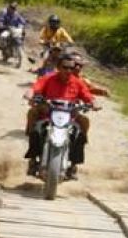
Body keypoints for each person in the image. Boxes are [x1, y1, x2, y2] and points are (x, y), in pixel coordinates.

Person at [23, 50, 106, 179]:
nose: (68, 71)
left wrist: (94, 103)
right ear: (58, 67)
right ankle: (33, 160)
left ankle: (73, 165)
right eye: (65, 67)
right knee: (37, 130)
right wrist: (30, 94)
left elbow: (87, 95)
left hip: (69, 116)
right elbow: (36, 87)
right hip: (48, 114)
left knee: (80, 132)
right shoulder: (48, 78)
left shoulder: (78, 82)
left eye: (71, 68)